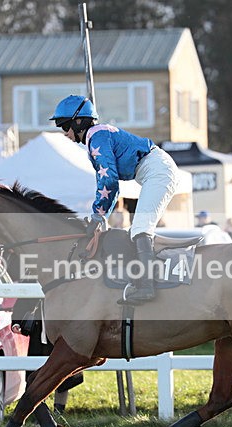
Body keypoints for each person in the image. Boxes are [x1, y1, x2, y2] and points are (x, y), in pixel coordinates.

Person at [50, 94, 182, 305]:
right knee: (136, 230)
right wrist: (100, 217)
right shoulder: (97, 136)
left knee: (141, 229)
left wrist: (96, 217)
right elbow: (110, 189)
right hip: (154, 169)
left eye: (64, 126)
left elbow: (109, 182)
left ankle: (147, 286)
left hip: (157, 170)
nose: (64, 133)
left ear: (78, 121)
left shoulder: (97, 136)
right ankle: (142, 279)